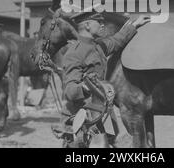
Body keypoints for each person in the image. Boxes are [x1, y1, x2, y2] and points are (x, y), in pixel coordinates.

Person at [57, 10, 150, 147]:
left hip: (101, 114)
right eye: (99, 22)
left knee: (110, 142)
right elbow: (69, 91)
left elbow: (117, 40)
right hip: (80, 117)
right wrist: (86, 86)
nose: (102, 25)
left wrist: (135, 25)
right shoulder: (74, 53)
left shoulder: (98, 46)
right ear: (88, 25)